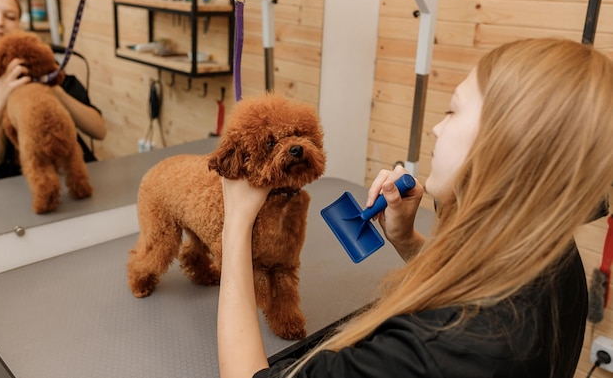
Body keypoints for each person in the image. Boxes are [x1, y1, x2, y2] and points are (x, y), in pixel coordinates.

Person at [217, 38, 613, 378]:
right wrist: (405, 239)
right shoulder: (554, 256)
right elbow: (472, 289)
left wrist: (235, 221)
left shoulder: (432, 353)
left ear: (504, 145)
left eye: (453, 110)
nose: (437, 128)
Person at [0, 0, 106, 180]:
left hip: (70, 178)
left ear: (18, 25)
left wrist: (55, 90)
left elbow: (99, 130)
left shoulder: (43, 69)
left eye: (9, 16)